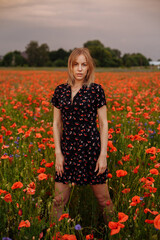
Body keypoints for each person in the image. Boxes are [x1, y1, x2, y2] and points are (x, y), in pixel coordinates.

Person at [50, 47, 113, 224]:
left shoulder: (96, 90)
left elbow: (103, 123)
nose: (79, 69)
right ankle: (53, 234)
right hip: (67, 151)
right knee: (58, 201)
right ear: (70, 66)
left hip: (91, 150)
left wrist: (102, 155)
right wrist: (58, 153)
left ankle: (116, 232)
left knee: (103, 200)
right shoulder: (60, 90)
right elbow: (56, 123)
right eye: (75, 64)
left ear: (89, 68)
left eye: (83, 65)